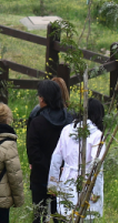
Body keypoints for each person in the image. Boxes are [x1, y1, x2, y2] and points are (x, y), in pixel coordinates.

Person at [48, 99, 106, 221]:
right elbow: (96, 165)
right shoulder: (97, 135)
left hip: (67, 179)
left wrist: (53, 184)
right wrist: (95, 192)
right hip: (86, 182)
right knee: (85, 216)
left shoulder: (67, 130)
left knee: (67, 216)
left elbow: (56, 158)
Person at [27, 80, 74, 223]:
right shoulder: (71, 121)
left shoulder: (37, 122)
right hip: (64, 176)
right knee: (60, 215)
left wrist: (48, 168)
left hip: (40, 177)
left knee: (38, 215)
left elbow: (33, 153)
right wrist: (60, 169)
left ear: (43, 98)